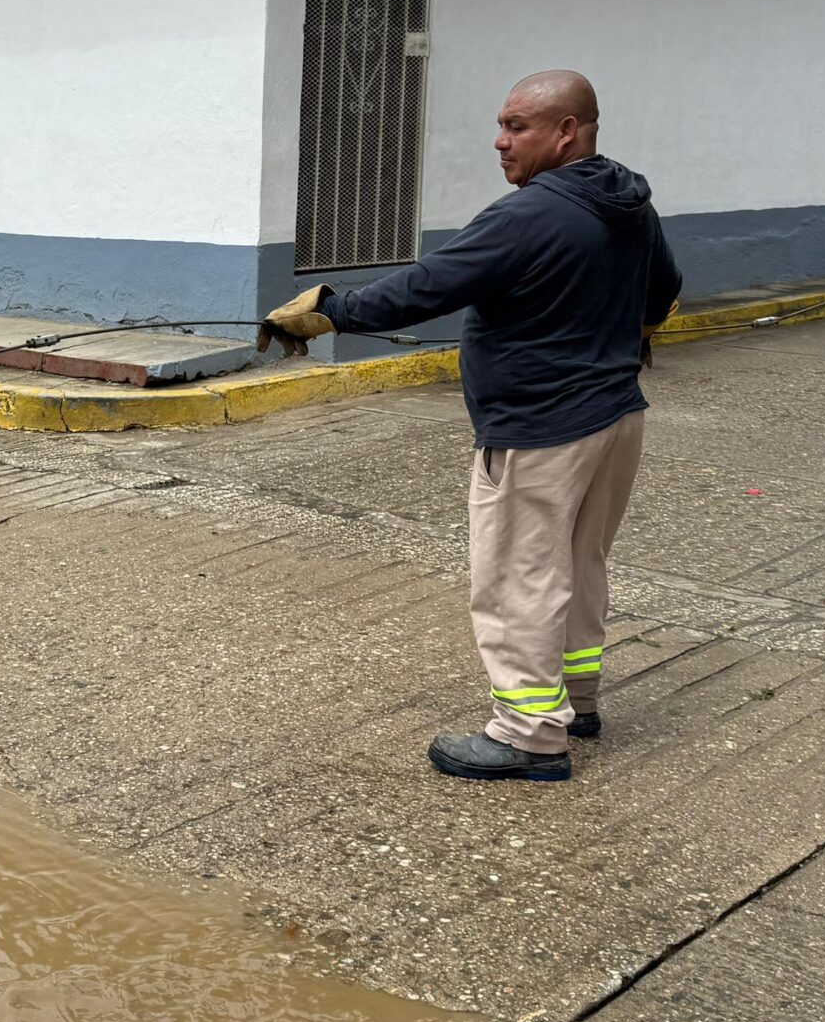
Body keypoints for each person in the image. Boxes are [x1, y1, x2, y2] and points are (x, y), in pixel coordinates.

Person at [259, 71, 681, 783]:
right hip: (615, 419)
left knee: (519, 579)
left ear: (566, 132)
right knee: (579, 566)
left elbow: (426, 286)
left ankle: (526, 734)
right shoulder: (628, 202)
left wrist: (329, 307)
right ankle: (575, 704)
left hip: (540, 429)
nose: (500, 140)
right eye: (502, 124)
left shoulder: (528, 215)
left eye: (517, 126)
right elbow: (661, 290)